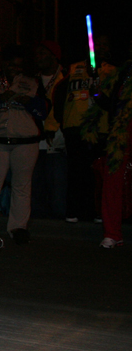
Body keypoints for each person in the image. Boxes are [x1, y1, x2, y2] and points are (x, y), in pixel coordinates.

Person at [0, 45, 48, 244]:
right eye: (12, 65)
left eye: (19, 66)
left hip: (26, 142)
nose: (16, 69)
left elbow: (44, 110)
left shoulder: (32, 82)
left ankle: (18, 227)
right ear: (4, 64)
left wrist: (28, 102)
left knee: (22, 186)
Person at [54, 35, 116, 223]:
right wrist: (62, 122)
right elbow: (59, 94)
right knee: (75, 171)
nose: (101, 47)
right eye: (98, 44)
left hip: (100, 128)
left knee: (96, 172)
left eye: (105, 45)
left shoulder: (112, 71)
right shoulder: (74, 68)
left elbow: (114, 101)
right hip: (74, 127)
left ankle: (96, 211)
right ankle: (73, 211)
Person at [82, 38, 132, 248]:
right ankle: (112, 233)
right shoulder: (123, 73)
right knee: (112, 180)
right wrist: (96, 92)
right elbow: (111, 104)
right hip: (121, 132)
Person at [32, 41, 68, 219]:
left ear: (55, 56)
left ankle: (60, 221)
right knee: (36, 183)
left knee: (57, 183)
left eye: (43, 53)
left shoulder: (66, 78)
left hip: (57, 139)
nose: (39, 57)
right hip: (34, 140)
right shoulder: (31, 81)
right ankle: (39, 222)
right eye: (37, 54)